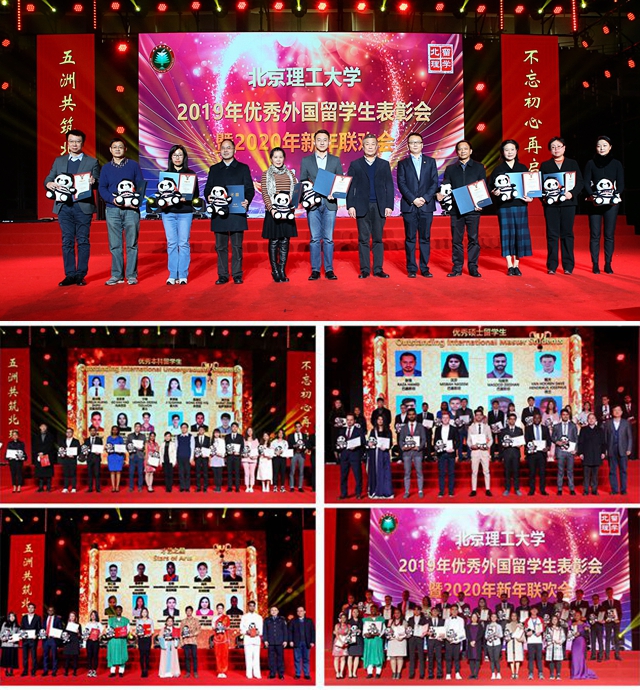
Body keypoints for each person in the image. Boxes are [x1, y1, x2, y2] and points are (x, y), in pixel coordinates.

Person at [44, 129, 100, 286]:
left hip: (83, 207)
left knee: (83, 240)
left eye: (78, 141)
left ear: (83, 143)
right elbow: (48, 178)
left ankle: (80, 274)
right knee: (67, 240)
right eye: (71, 141)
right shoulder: (59, 161)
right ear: (67, 143)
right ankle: (69, 274)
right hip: (64, 207)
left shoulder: (92, 162)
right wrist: (49, 183)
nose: (74, 144)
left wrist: (93, 181)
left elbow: (98, 181)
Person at [203, 138, 255, 284]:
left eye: (229, 148)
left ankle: (237, 274)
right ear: (220, 151)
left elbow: (249, 189)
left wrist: (247, 200)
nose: (226, 150)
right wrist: (209, 197)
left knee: (237, 246)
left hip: (237, 212)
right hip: (219, 211)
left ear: (234, 150)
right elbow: (208, 188)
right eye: (223, 148)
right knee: (220, 246)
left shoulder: (243, 168)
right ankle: (223, 275)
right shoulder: (214, 169)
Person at [346, 133, 395, 279]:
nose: (370, 147)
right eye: (367, 144)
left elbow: (389, 186)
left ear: (377, 146)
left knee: (378, 238)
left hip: (379, 206)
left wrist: (389, 205)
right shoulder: (355, 164)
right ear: (363, 147)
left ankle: (378, 269)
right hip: (361, 206)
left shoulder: (384, 164)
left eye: (373, 144)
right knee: (363, 239)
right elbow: (350, 186)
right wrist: (350, 205)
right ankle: (365, 269)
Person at [98, 138, 144, 286]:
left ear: (125, 149)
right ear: (110, 150)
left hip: (131, 210)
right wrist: (112, 200)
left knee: (132, 244)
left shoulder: (133, 165)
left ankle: (131, 275)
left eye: (120, 147)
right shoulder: (106, 168)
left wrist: (135, 203)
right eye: (114, 147)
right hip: (112, 209)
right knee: (115, 244)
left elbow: (140, 186)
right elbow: (102, 188)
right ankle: (116, 275)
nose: (117, 149)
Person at [437, 139, 486, 278]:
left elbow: (483, 186)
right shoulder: (451, 169)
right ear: (457, 152)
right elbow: (446, 186)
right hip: (456, 209)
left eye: (465, 148)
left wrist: (481, 203)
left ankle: (473, 268)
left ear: (470, 151)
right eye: (460, 149)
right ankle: (457, 268)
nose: (462, 151)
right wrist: (440, 194)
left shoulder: (479, 167)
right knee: (456, 240)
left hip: (473, 209)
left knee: (473, 239)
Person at [300, 129, 343, 280]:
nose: (322, 142)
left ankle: (329, 269)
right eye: (319, 140)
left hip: (330, 203)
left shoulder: (335, 160)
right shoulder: (306, 161)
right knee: (314, 238)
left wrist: (334, 193)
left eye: (325, 140)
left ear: (329, 142)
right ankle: (315, 270)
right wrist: (309, 193)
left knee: (329, 238)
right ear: (314, 142)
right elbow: (303, 182)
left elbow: (340, 181)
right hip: (313, 204)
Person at [397, 131, 439, 278]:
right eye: (412, 142)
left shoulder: (431, 162)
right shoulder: (403, 163)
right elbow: (401, 184)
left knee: (425, 238)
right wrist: (413, 199)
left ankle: (424, 268)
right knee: (410, 238)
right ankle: (411, 269)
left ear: (422, 145)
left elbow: (434, 182)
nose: (414, 145)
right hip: (409, 205)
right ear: (408, 146)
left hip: (426, 206)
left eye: (417, 142)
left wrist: (425, 198)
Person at [539, 137, 584, 274]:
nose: (556, 149)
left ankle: (568, 266)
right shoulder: (545, 165)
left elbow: (580, 182)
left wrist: (572, 193)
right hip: (551, 205)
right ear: (550, 150)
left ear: (564, 148)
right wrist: (544, 199)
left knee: (567, 234)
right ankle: (552, 266)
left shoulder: (572, 163)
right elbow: (539, 185)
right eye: (553, 147)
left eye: (559, 146)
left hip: (568, 204)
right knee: (552, 234)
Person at [490, 139, 533, 276]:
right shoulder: (498, 170)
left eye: (512, 149)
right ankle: (509, 265)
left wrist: (530, 197)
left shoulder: (523, 168)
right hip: (504, 206)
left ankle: (517, 265)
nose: (510, 152)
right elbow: (491, 188)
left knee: (520, 234)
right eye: (506, 150)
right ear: (502, 152)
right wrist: (495, 192)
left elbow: (530, 187)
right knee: (507, 234)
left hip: (520, 205)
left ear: (516, 151)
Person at [583, 135, 625, 273]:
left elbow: (621, 183)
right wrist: (593, 196)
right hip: (595, 202)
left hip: (611, 204)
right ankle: (595, 264)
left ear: (610, 147)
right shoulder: (591, 163)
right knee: (595, 234)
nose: (601, 148)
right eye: (599, 146)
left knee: (609, 235)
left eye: (604, 145)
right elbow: (586, 182)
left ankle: (608, 263)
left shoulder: (616, 164)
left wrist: (615, 195)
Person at [158, 145, 199, 284]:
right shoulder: (165, 175)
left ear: (184, 157)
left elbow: (196, 194)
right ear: (170, 157)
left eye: (180, 155)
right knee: (171, 243)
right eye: (175, 155)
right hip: (168, 213)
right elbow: (160, 194)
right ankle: (172, 274)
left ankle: (182, 274)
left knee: (183, 243)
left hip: (185, 212)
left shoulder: (191, 174)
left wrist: (186, 198)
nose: (177, 158)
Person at [261, 146, 298, 282]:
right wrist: (272, 209)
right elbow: (265, 193)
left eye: (280, 157)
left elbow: (295, 192)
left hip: (287, 211)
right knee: (274, 240)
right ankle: (275, 270)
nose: (278, 160)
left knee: (285, 241)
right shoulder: (266, 174)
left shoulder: (290, 174)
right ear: (271, 159)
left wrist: (293, 206)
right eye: (275, 157)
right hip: (274, 212)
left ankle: (282, 270)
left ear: (284, 159)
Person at [398, 407, 427, 498]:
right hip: (407, 453)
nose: (411, 416)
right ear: (407, 416)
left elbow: (424, 439)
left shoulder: (420, 426)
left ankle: (420, 490)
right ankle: (407, 491)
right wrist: (402, 447)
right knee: (407, 472)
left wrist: (419, 447)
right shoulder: (403, 427)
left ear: (415, 415)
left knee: (419, 472)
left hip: (417, 452)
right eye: (409, 415)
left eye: (413, 414)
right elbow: (400, 440)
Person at [604, 405, 632, 495]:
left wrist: (629, 448)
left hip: (623, 449)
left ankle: (623, 489)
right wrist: (605, 449)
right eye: (615, 410)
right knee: (612, 471)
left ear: (621, 412)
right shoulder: (608, 423)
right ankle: (614, 490)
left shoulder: (626, 423)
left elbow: (629, 437)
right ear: (612, 412)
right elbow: (605, 437)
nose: (617, 412)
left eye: (618, 410)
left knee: (623, 470)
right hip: (611, 449)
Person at [338, 413, 366, 499]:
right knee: (343, 476)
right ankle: (344, 494)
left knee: (357, 476)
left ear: (354, 421)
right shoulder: (342, 430)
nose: (349, 421)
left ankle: (358, 493)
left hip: (355, 455)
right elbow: (339, 442)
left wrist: (356, 446)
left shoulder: (359, 430)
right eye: (348, 420)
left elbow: (363, 441)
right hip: (344, 456)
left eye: (351, 420)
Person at [577, 412, 606, 495]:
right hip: (586, 455)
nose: (591, 420)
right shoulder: (583, 430)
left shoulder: (600, 430)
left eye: (593, 418)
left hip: (597, 454)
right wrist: (580, 453)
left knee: (595, 475)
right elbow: (580, 442)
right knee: (586, 475)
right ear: (587, 420)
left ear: (595, 420)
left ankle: (594, 490)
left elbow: (603, 442)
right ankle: (586, 490)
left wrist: (603, 452)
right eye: (589, 418)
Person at [552, 408, 578, 495]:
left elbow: (576, 438)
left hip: (570, 451)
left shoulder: (573, 426)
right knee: (560, 471)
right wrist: (557, 442)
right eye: (563, 414)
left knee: (570, 471)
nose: (565, 416)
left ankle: (571, 489)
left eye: (567, 414)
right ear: (561, 416)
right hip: (560, 451)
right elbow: (552, 437)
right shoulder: (556, 426)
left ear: (569, 416)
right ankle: (559, 489)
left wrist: (576, 449)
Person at [367, 415, 393, 499]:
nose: (380, 420)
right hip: (376, 454)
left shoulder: (388, 431)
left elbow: (390, 443)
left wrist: (386, 447)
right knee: (376, 471)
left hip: (384, 454)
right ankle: (377, 491)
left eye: (382, 419)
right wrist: (370, 444)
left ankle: (386, 492)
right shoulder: (373, 431)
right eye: (378, 419)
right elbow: (370, 441)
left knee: (385, 472)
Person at [468, 408, 493, 497]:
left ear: (483, 416)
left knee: (486, 471)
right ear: (475, 416)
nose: (478, 416)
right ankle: (474, 490)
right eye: (477, 415)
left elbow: (491, 439)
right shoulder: (471, 427)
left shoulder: (487, 427)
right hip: (475, 452)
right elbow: (468, 440)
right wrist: (471, 446)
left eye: (480, 415)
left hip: (484, 451)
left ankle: (488, 489)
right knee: (474, 472)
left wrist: (487, 446)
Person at [524, 412, 550, 496]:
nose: (537, 419)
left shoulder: (545, 428)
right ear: (533, 419)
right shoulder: (528, 428)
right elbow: (526, 441)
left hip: (542, 454)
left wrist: (548, 447)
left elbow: (548, 440)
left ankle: (542, 490)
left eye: (538, 418)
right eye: (535, 418)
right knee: (532, 473)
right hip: (532, 454)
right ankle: (532, 490)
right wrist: (529, 449)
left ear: (541, 419)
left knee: (542, 473)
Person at [434, 411, 459, 498]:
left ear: (449, 419)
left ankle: (451, 492)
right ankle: (441, 491)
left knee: (451, 473)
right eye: (443, 418)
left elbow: (458, 441)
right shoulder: (437, 429)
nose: (445, 419)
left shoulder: (454, 429)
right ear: (441, 419)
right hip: (441, 454)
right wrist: (438, 449)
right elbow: (435, 441)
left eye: (447, 418)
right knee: (441, 473)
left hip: (451, 453)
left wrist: (454, 448)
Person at [500, 413, 524, 496]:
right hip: (507, 454)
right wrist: (504, 444)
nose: (512, 420)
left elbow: (521, 442)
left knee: (516, 472)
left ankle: (517, 489)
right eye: (511, 419)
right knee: (507, 472)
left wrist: (520, 444)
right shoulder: (503, 430)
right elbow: (501, 442)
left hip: (516, 454)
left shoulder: (519, 430)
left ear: (515, 420)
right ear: (508, 420)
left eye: (514, 419)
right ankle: (507, 489)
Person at [289, 606, 315, 680]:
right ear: (297, 612)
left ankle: (306, 674)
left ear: (304, 612)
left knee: (306, 659)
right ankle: (298, 674)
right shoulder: (293, 621)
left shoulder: (309, 621)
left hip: (306, 642)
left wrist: (312, 641)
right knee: (297, 659)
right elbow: (290, 631)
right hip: (297, 642)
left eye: (301, 611)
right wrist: (290, 640)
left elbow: (312, 632)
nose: (300, 612)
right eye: (298, 611)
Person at [569, 611, 597, 679]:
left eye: (578, 615)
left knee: (580, 657)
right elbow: (569, 634)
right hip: (574, 642)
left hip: (581, 641)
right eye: (575, 615)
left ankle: (581, 673)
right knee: (574, 657)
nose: (576, 616)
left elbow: (587, 634)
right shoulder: (572, 624)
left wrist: (581, 633)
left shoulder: (584, 624)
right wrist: (572, 635)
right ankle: (575, 673)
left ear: (581, 616)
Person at [239, 600, 263, 679]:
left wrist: (257, 632)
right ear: (248, 607)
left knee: (256, 657)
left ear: (255, 607)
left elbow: (261, 629)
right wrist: (247, 632)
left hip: (256, 639)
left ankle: (257, 673)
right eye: (250, 606)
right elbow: (241, 628)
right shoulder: (244, 617)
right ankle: (249, 673)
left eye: (253, 606)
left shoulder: (259, 617)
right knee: (248, 657)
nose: (252, 607)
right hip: (248, 639)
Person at [263, 606, 288, 680]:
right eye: (272, 610)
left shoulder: (282, 620)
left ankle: (281, 674)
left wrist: (285, 640)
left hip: (280, 642)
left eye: (275, 610)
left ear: (278, 611)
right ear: (270, 612)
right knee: (271, 659)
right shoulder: (267, 620)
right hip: (270, 642)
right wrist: (265, 640)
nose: (273, 611)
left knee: (280, 658)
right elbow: (265, 631)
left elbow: (285, 630)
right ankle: (272, 673)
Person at [362, 605, 385, 679]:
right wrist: (366, 634)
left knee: (378, 655)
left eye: (375, 609)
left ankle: (378, 672)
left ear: (377, 610)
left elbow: (383, 630)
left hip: (377, 640)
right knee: (369, 655)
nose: (373, 611)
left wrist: (378, 634)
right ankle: (370, 672)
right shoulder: (366, 619)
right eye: (372, 609)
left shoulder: (381, 619)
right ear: (370, 610)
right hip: (369, 640)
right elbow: (364, 629)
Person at [444, 604, 465, 680]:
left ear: (458, 611)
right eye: (453, 609)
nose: (454, 611)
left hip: (457, 641)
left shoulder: (461, 620)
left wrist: (456, 639)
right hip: (448, 641)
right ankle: (448, 673)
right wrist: (448, 638)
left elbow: (462, 631)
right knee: (448, 658)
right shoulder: (447, 620)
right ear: (450, 611)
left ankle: (457, 673)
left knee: (457, 658)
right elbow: (445, 630)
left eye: (456, 609)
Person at [107, 606, 129, 677]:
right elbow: (108, 630)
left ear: (122, 611)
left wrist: (124, 634)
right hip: (113, 641)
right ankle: (112, 671)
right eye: (117, 610)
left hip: (121, 641)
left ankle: (121, 671)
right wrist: (112, 633)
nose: (118, 611)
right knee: (113, 655)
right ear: (115, 611)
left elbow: (128, 630)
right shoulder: (111, 620)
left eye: (120, 610)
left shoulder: (126, 620)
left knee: (122, 655)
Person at [20, 603, 41, 677]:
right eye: (29, 607)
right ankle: (25, 671)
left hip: (33, 640)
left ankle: (33, 671)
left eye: (32, 607)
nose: (30, 609)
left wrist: (36, 635)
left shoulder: (37, 617)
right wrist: (22, 634)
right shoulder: (24, 617)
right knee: (25, 657)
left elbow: (39, 628)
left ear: (34, 609)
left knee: (33, 656)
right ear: (27, 608)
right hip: (25, 640)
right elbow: (22, 627)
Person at [33, 422, 55, 492]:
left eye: (45, 427)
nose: (43, 428)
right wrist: (39, 453)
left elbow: (51, 446)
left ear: (46, 428)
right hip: (39, 456)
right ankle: (41, 487)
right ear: (40, 427)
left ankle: (48, 487)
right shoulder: (36, 436)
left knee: (48, 472)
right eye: (42, 427)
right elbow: (34, 446)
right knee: (40, 472)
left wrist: (44, 452)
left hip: (47, 455)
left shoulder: (50, 436)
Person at [41, 605, 63, 676]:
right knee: (45, 655)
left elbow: (60, 629)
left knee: (54, 655)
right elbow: (42, 628)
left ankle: (54, 671)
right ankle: (45, 670)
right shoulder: (45, 619)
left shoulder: (57, 619)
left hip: (53, 639)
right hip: (46, 639)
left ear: (54, 611)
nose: (50, 611)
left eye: (52, 610)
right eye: (49, 610)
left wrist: (57, 634)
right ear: (47, 611)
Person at [180, 606, 201, 678]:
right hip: (185, 641)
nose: (188, 612)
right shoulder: (183, 621)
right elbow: (181, 632)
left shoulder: (196, 620)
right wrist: (181, 642)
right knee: (187, 657)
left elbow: (199, 630)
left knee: (194, 656)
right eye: (187, 611)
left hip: (193, 641)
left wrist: (192, 634)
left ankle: (195, 672)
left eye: (190, 611)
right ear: (185, 612)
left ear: (192, 612)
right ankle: (188, 672)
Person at [287, 421, 308, 492]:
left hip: (301, 454)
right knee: (292, 471)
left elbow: (307, 444)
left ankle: (300, 487)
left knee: (301, 471)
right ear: (294, 428)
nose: (297, 428)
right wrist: (294, 446)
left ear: (301, 427)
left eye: (299, 427)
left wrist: (306, 449)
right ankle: (292, 486)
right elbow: (289, 445)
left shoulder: (304, 435)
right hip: (294, 454)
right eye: (296, 427)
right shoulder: (291, 436)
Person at [602, 587, 622, 660]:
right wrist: (605, 619)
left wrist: (618, 620)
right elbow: (603, 613)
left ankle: (617, 655)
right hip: (608, 623)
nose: (609, 593)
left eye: (610, 592)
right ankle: (607, 656)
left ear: (612, 592)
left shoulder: (617, 602)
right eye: (608, 592)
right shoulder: (604, 603)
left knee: (616, 639)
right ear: (606, 593)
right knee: (608, 638)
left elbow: (620, 612)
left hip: (616, 623)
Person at [524, 606, 544, 680]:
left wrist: (539, 632)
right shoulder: (527, 620)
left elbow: (542, 628)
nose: (534, 611)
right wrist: (531, 631)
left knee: (539, 658)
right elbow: (526, 630)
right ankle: (530, 673)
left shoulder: (540, 619)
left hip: (538, 641)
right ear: (530, 611)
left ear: (537, 611)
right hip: (530, 641)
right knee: (531, 658)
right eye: (533, 610)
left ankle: (540, 673)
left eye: (535, 609)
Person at [212, 603, 231, 678]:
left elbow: (228, 627)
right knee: (218, 655)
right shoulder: (214, 618)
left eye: (221, 608)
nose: (220, 610)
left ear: (223, 609)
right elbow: (213, 627)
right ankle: (219, 671)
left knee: (224, 655)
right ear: (217, 609)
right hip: (217, 639)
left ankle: (224, 671)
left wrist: (223, 628)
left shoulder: (226, 617)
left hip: (224, 638)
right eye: (218, 608)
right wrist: (217, 628)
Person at [504, 611, 525, 680]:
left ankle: (517, 673)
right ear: (510, 617)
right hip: (510, 642)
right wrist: (507, 638)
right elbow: (506, 634)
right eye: (512, 616)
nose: (514, 617)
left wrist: (520, 639)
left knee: (517, 657)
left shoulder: (520, 625)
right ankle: (513, 673)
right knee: (511, 657)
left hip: (517, 642)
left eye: (515, 616)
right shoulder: (508, 625)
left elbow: (522, 634)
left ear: (517, 617)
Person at [544, 614, 566, 680]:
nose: (554, 621)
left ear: (557, 620)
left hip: (557, 645)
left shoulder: (560, 629)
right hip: (551, 645)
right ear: (551, 620)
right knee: (551, 660)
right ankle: (552, 674)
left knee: (558, 660)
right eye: (553, 619)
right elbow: (545, 636)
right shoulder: (548, 628)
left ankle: (558, 674)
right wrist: (551, 640)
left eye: (555, 619)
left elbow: (563, 637)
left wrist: (559, 641)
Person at [126, 422, 146, 493]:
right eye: (136, 427)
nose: (137, 428)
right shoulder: (130, 436)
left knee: (140, 472)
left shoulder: (143, 436)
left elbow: (145, 446)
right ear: (134, 427)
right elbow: (127, 446)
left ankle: (140, 487)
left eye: (139, 427)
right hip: (132, 456)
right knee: (131, 472)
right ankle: (131, 487)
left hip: (140, 456)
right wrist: (130, 449)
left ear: (140, 428)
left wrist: (142, 448)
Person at [60, 427, 81, 493]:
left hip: (72, 460)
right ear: (66, 433)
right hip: (65, 459)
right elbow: (61, 449)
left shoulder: (76, 441)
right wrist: (62, 454)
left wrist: (74, 455)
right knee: (65, 473)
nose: (68, 433)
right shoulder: (62, 441)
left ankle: (73, 488)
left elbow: (79, 450)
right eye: (67, 432)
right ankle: (65, 487)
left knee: (73, 473)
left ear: (72, 433)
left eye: (70, 432)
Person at [106, 425, 126, 492]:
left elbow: (123, 447)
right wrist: (106, 449)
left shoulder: (120, 438)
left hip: (119, 456)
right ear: (111, 430)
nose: (114, 431)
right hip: (111, 456)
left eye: (116, 430)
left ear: (118, 431)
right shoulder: (108, 438)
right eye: (113, 429)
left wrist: (121, 451)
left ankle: (117, 487)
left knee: (118, 471)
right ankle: (113, 487)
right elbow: (107, 447)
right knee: (112, 472)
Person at [225, 422, 244, 492]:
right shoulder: (227, 436)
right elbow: (225, 446)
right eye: (233, 427)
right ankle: (229, 487)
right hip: (229, 457)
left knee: (237, 472)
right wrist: (227, 452)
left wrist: (239, 452)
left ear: (237, 428)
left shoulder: (240, 436)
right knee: (229, 472)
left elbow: (242, 446)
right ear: (231, 428)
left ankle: (237, 487)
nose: (234, 428)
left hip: (237, 457)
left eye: (236, 427)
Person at [84, 426, 103, 493]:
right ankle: (90, 488)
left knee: (97, 474)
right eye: (91, 431)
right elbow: (84, 448)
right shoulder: (86, 440)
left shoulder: (99, 439)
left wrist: (99, 452)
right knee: (90, 474)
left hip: (97, 458)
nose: (93, 432)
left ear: (96, 432)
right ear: (89, 431)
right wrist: (85, 452)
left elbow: (101, 448)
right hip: (89, 459)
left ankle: (98, 488)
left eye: (94, 431)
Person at [135, 607, 153, 678]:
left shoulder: (150, 620)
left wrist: (149, 634)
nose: (144, 613)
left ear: (147, 613)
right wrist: (138, 634)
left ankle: (146, 670)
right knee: (142, 655)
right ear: (141, 613)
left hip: (147, 639)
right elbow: (136, 630)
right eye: (143, 612)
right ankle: (143, 670)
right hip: (141, 639)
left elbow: (152, 631)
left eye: (145, 612)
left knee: (147, 655)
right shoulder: (138, 621)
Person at [175, 422, 194, 492]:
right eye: (182, 427)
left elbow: (192, 447)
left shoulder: (191, 436)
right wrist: (176, 458)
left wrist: (191, 458)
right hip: (180, 457)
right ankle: (182, 487)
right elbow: (176, 447)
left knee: (187, 473)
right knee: (181, 473)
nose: (183, 429)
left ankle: (187, 487)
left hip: (187, 457)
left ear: (187, 428)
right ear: (180, 428)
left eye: (185, 427)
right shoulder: (177, 436)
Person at [61, 611, 81, 676]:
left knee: (75, 657)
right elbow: (63, 633)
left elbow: (80, 636)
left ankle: (75, 671)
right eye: (71, 616)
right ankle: (66, 671)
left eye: (73, 616)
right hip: (68, 642)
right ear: (69, 617)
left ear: (75, 617)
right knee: (67, 657)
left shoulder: (78, 625)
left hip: (75, 641)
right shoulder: (66, 624)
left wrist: (78, 632)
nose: (72, 617)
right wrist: (65, 636)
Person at [346, 606, 364, 678]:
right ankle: (350, 672)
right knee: (350, 656)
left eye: (357, 612)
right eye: (354, 612)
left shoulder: (361, 621)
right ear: (352, 613)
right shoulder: (349, 621)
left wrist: (360, 631)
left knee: (357, 656)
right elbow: (346, 630)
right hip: (351, 640)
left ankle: (354, 672)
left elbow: (364, 629)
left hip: (359, 639)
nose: (355, 613)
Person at [1, 612, 20, 677]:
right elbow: (1, 633)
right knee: (6, 658)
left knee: (12, 658)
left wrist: (17, 638)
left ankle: (11, 671)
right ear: (8, 617)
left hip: (13, 645)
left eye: (13, 616)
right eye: (10, 616)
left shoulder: (17, 625)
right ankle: (6, 670)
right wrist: (3, 638)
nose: (12, 617)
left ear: (15, 617)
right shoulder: (5, 624)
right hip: (6, 644)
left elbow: (19, 634)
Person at [465, 611, 483, 679]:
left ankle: (476, 674)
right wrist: (471, 641)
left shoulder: (480, 626)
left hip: (477, 643)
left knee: (477, 659)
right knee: (471, 658)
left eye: (475, 617)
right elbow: (467, 634)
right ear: (471, 618)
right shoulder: (467, 626)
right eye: (473, 617)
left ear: (477, 618)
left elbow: (480, 635)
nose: (474, 618)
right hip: (470, 643)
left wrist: (475, 641)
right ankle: (472, 674)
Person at [484, 611, 503, 680]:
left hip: (497, 643)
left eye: (495, 617)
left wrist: (496, 634)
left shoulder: (499, 626)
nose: (493, 618)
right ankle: (493, 673)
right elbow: (485, 636)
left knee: (496, 659)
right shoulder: (488, 626)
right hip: (489, 644)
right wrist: (489, 636)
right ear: (490, 618)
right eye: (492, 617)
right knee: (491, 659)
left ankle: (498, 673)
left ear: (497, 618)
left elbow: (501, 635)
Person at [333, 612, 350, 679]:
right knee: (336, 658)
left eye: (344, 618)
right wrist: (341, 641)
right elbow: (336, 634)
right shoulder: (337, 625)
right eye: (342, 618)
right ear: (340, 618)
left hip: (345, 641)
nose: (343, 619)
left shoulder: (348, 626)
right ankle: (337, 672)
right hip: (338, 642)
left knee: (343, 658)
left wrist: (346, 641)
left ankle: (341, 673)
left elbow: (349, 634)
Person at [243, 426, 259, 492]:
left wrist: (255, 456)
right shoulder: (244, 440)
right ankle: (247, 487)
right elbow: (242, 449)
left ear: (253, 432)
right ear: (246, 432)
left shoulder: (256, 440)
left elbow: (257, 450)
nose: (249, 432)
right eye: (248, 431)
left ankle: (251, 487)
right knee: (246, 473)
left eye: (251, 431)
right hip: (245, 459)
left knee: (252, 474)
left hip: (253, 459)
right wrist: (244, 454)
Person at [210, 428, 226, 492]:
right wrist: (211, 454)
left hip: (220, 458)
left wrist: (221, 455)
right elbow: (210, 450)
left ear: (219, 434)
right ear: (213, 434)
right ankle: (216, 486)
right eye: (215, 433)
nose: (216, 434)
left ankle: (219, 487)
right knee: (215, 474)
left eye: (217, 433)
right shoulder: (212, 441)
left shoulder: (222, 440)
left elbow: (224, 449)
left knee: (219, 474)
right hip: (214, 458)